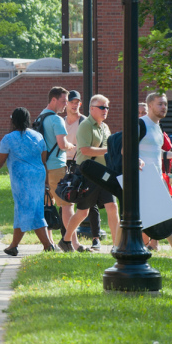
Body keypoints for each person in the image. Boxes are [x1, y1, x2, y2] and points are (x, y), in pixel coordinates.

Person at [0, 107, 54, 255]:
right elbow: (43, 160)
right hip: (38, 176)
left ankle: (48, 245)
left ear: (13, 120)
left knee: (32, 211)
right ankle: (13, 246)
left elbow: (0, 159)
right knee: (23, 209)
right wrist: (46, 182)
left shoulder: (9, 138)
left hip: (22, 179)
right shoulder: (38, 136)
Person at [62, 95, 120, 251]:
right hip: (88, 173)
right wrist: (111, 149)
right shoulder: (85, 126)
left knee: (112, 207)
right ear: (92, 109)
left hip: (105, 174)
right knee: (83, 212)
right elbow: (85, 150)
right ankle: (66, 240)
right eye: (102, 107)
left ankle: (117, 247)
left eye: (107, 107)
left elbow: (109, 151)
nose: (105, 110)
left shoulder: (105, 127)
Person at [139, 92, 172, 257]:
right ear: (150, 105)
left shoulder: (157, 127)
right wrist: (136, 159)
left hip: (155, 177)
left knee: (161, 214)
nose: (164, 107)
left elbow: (156, 153)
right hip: (143, 177)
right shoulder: (141, 124)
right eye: (160, 104)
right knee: (161, 213)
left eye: (165, 104)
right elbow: (125, 149)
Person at [62, 90, 102, 252]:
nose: (75, 105)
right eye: (72, 101)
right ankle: (67, 237)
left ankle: (96, 238)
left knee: (89, 201)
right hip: (65, 164)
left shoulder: (84, 121)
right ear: (66, 103)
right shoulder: (62, 121)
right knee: (66, 199)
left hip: (83, 164)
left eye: (77, 102)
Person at [37, 87, 75, 247]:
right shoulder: (57, 120)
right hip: (57, 166)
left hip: (42, 167)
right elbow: (61, 143)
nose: (65, 105)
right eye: (63, 101)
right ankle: (70, 241)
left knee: (48, 204)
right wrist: (70, 146)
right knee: (67, 205)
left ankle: (50, 242)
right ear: (53, 99)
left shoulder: (41, 117)